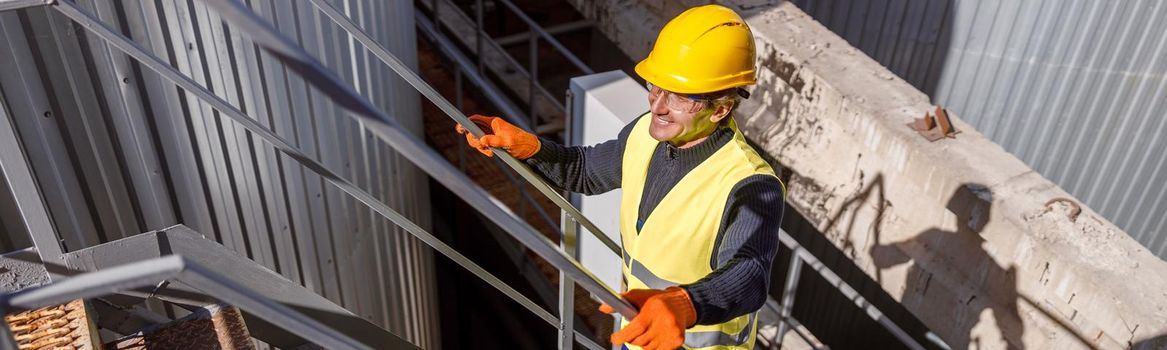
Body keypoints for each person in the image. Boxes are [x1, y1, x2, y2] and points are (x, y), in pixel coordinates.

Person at [455, 4, 784, 349]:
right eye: (656, 86)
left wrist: (686, 304)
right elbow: (583, 171)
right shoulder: (645, 132)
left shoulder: (750, 184)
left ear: (720, 108)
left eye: (678, 96)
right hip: (639, 335)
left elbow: (750, 274)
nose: (656, 105)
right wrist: (529, 148)